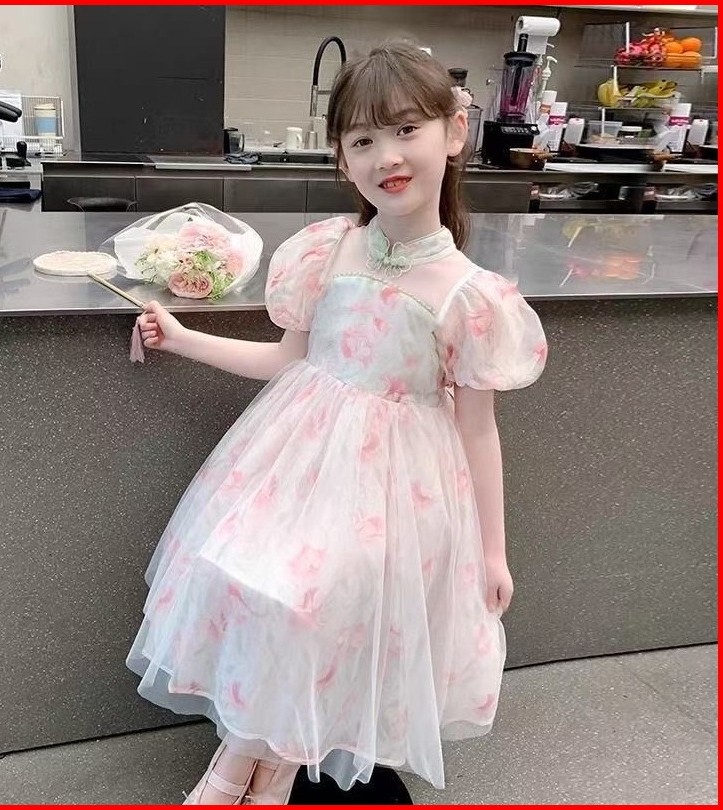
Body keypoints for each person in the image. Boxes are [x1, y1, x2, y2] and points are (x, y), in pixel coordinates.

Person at [127, 41, 547, 805]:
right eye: (363, 139)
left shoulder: (469, 295)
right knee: (262, 590)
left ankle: (250, 773)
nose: (388, 155)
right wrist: (182, 338)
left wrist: (493, 550)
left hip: (397, 493)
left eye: (407, 129)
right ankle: (255, 768)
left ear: (455, 132)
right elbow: (288, 360)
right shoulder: (328, 250)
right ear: (342, 159)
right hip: (297, 462)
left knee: (321, 609)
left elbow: (478, 430)